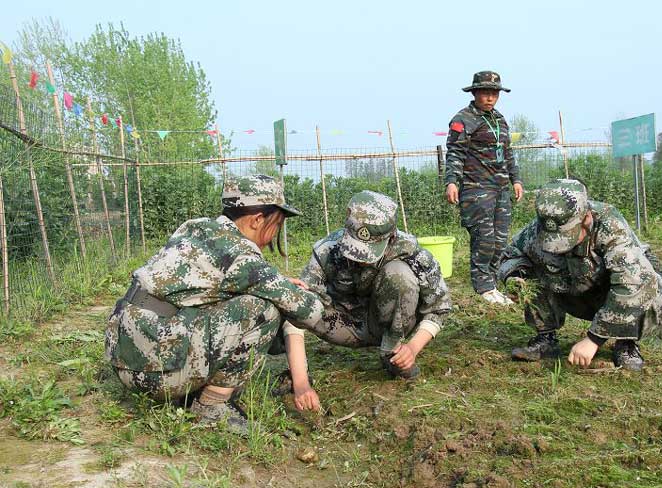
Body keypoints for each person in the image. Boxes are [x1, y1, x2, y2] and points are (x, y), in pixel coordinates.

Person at [105, 175, 326, 436]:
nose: (274, 235)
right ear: (257, 219)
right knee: (263, 310)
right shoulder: (241, 256)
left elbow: (200, 288)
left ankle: (188, 387)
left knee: (240, 303)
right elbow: (310, 311)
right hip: (154, 376)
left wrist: (273, 283)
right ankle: (211, 407)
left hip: (122, 357)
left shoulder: (195, 228)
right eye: (276, 224)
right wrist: (288, 291)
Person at [497, 179, 662, 371]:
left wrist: (594, 339)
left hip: (611, 295)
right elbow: (510, 256)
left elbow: (631, 283)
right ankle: (546, 338)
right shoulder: (540, 227)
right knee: (528, 272)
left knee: (650, 283)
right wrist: (514, 278)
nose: (560, 245)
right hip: (573, 290)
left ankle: (625, 342)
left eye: (567, 235)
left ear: (586, 219)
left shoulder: (610, 226)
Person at [296, 190, 452, 381]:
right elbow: (301, 304)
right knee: (293, 297)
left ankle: (392, 353)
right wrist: (300, 380)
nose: (360, 260)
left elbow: (440, 307)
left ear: (391, 238)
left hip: (389, 325)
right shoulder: (327, 250)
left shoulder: (411, 253)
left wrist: (412, 348)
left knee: (399, 274)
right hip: (342, 325)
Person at [445, 70, 523, 306]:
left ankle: (493, 284)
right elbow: (455, 153)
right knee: (484, 239)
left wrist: (516, 179)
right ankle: (483, 287)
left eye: (494, 93)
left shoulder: (500, 119)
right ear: (475, 93)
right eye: (485, 93)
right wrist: (451, 182)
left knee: (500, 241)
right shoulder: (463, 119)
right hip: (476, 188)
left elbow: (508, 153)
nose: (490, 98)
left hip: (500, 189)